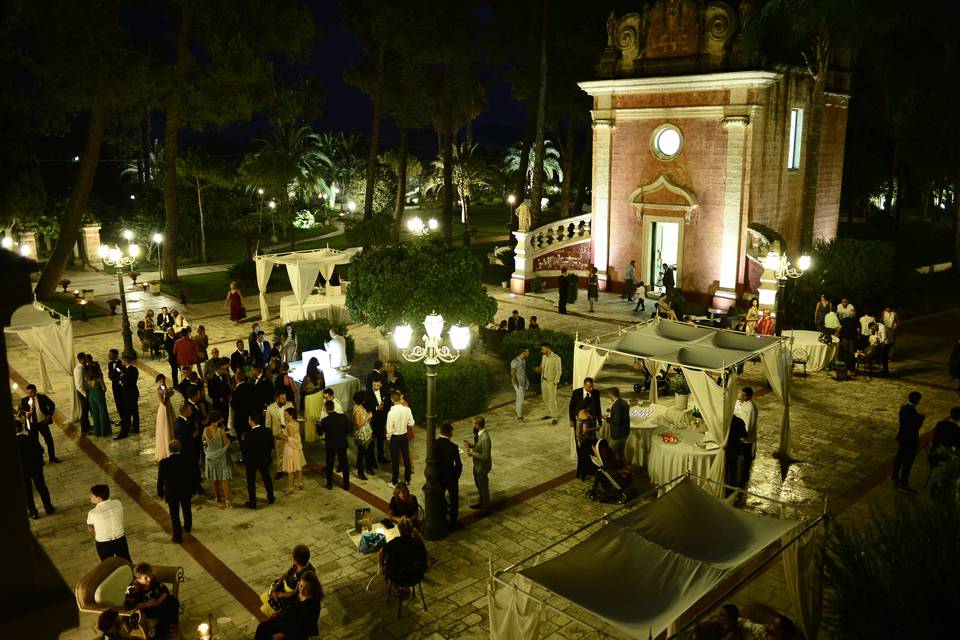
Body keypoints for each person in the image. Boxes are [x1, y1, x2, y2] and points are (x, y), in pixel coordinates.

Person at [254, 570, 323, 640]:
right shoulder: (298, 592)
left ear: (312, 588)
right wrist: (278, 612)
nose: (301, 590)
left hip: (293, 632)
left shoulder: (313, 605)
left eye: (306, 588)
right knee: (262, 627)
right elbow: (289, 603)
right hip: (283, 622)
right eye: (301, 586)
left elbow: (303, 627)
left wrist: (283, 634)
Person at [123, 563, 179, 639]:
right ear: (138, 579)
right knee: (165, 614)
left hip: (156, 603)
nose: (149, 579)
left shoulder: (152, 580)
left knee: (173, 601)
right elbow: (127, 607)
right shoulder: (132, 589)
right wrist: (147, 604)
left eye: (150, 575)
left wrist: (160, 599)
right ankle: (161, 633)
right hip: (145, 610)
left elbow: (164, 590)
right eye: (146, 578)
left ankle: (171, 625)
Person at [261, 545, 315, 617]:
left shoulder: (305, 575)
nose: (291, 559)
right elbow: (287, 572)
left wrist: (279, 594)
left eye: (292, 557)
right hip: (285, 588)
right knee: (269, 596)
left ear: (296, 561)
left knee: (273, 611)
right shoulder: (297, 564)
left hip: (290, 597)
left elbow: (294, 592)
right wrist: (278, 583)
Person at [156, 439, 194, 542]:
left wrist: (160, 492)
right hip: (185, 489)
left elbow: (161, 479)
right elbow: (192, 474)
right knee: (187, 509)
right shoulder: (186, 459)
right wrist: (193, 488)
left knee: (174, 515)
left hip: (172, 492)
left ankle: (177, 536)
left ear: (169, 449)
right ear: (180, 448)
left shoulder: (164, 463)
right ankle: (187, 527)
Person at [379, 517, 428, 595]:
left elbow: (381, 552)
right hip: (417, 576)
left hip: (400, 578)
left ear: (399, 530)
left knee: (390, 562)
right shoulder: (418, 543)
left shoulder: (395, 543)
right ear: (412, 529)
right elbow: (425, 563)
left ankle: (397, 588)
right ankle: (406, 586)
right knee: (405, 563)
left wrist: (382, 566)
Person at [17, 420, 55, 519]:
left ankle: (33, 512)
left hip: (22, 471)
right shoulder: (30, 438)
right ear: (22, 428)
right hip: (35, 467)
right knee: (42, 487)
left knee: (27, 492)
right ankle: (48, 507)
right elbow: (41, 450)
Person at [87, 484, 131, 561]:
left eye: (92, 495)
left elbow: (90, 527)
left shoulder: (93, 513)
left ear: (99, 498)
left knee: (107, 566)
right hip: (120, 539)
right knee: (126, 561)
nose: (89, 496)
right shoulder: (118, 503)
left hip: (103, 543)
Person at [19, 383, 60, 463]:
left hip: (42, 423)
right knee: (34, 443)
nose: (29, 394)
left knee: (49, 440)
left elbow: (52, 404)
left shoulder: (42, 397)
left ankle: (52, 458)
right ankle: (38, 461)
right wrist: (26, 415)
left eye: (31, 392)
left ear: (35, 391)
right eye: (28, 392)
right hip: (32, 424)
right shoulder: (24, 401)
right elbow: (21, 412)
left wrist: (49, 415)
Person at [893, 390, 924, 494]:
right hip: (910, 439)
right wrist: (920, 419)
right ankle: (904, 483)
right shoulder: (912, 412)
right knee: (908, 461)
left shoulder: (904, 407)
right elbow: (916, 427)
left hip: (902, 437)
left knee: (899, 456)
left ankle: (895, 475)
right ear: (918, 400)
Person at [244, 415, 276, 509]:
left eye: (249, 419)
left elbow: (246, 449)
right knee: (267, 478)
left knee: (251, 481)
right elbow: (271, 446)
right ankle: (271, 498)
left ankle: (253, 502)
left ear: (252, 421)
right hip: (264, 459)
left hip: (251, 461)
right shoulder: (267, 431)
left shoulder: (248, 434)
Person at [203, 411, 233, 506]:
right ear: (218, 420)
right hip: (221, 458)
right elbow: (226, 444)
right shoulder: (221, 431)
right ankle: (227, 500)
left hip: (210, 458)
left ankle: (217, 498)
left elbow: (204, 443)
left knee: (213, 478)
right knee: (224, 479)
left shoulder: (205, 430)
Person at [435, 422, 463, 528]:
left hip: (439, 478)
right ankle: (453, 522)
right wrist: (455, 476)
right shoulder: (453, 447)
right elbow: (459, 465)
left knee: (440, 498)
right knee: (454, 499)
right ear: (449, 432)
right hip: (451, 477)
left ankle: (442, 519)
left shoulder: (434, 444)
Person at [320, 400, 351, 490]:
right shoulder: (342, 417)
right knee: (345, 465)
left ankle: (329, 484)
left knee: (329, 465)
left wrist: (317, 425)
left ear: (326, 409)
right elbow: (349, 429)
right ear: (333, 407)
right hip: (342, 443)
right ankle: (346, 485)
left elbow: (320, 432)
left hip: (330, 445)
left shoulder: (325, 420)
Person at [385, 390, 413, 487]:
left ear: (392, 399)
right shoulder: (407, 409)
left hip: (395, 438)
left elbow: (389, 429)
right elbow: (412, 423)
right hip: (404, 436)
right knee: (406, 458)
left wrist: (389, 438)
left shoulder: (391, 413)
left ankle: (394, 481)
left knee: (395, 460)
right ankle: (407, 479)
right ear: (400, 398)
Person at [733, 387, 758, 488]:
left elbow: (749, 424)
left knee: (746, 456)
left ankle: (745, 476)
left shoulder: (751, 408)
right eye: (742, 395)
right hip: (739, 434)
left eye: (744, 395)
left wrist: (743, 433)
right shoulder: (741, 403)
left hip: (745, 437)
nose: (742, 397)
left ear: (750, 396)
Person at [466, 416, 492, 512]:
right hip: (477, 466)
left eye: (473, 423)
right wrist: (471, 445)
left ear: (477, 425)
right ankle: (481, 503)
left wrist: (472, 453)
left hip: (482, 467)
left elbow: (485, 456)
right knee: (479, 486)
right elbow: (478, 447)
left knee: (483, 488)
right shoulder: (480, 435)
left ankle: (486, 509)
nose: (472, 425)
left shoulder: (485, 438)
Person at [266, 390, 293, 477]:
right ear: (277, 399)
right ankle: (280, 470)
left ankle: (288, 469)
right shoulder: (270, 408)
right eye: (282, 399)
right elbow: (268, 424)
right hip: (277, 434)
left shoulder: (289, 404)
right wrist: (270, 436)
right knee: (279, 453)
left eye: (285, 398)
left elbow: (294, 418)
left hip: (289, 432)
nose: (285, 400)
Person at [535, 343, 562, 425]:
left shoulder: (556, 358)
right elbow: (542, 366)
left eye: (543, 349)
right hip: (543, 381)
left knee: (552, 400)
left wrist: (555, 382)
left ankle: (554, 417)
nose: (541, 351)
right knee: (545, 398)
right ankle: (549, 413)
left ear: (548, 348)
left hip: (551, 382)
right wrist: (539, 369)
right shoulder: (544, 357)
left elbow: (559, 371)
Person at [365, 377, 390, 467]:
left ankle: (381, 457)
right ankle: (372, 461)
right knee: (372, 442)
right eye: (374, 385)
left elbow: (387, 404)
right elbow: (366, 407)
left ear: (381, 385)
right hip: (373, 420)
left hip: (382, 419)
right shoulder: (367, 393)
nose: (375, 387)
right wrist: (376, 408)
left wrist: (385, 411)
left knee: (380, 440)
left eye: (377, 385)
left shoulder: (384, 392)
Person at [280, 406, 306, 492]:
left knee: (290, 469)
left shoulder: (289, 425)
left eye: (286, 414)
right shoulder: (296, 423)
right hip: (297, 448)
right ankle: (301, 483)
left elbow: (289, 438)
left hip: (291, 448)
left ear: (291, 416)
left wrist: (281, 435)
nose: (284, 416)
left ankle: (290, 487)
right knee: (299, 467)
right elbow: (296, 436)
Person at [115, 354, 140, 438]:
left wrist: (121, 382)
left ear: (125, 361)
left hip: (129, 394)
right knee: (134, 411)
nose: (122, 362)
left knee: (126, 413)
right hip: (133, 393)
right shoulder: (131, 369)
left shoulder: (130, 370)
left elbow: (128, 382)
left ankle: (124, 432)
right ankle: (136, 428)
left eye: (122, 361)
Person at [575, 399, 600, 480]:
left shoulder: (583, 411)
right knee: (585, 457)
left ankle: (584, 473)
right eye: (590, 406)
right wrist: (596, 428)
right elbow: (585, 430)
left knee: (584, 457)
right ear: (586, 406)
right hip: (585, 439)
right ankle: (584, 474)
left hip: (585, 438)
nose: (591, 408)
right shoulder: (584, 415)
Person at [352, 391, 373, 480]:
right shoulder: (357, 410)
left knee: (367, 452)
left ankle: (369, 467)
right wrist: (368, 417)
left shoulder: (360, 407)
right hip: (361, 435)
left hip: (367, 433)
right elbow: (358, 424)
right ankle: (360, 472)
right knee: (361, 454)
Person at [154, 375, 175, 461]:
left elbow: (171, 393)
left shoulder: (165, 387)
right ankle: (166, 448)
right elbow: (163, 402)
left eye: (163, 380)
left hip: (169, 408)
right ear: (158, 381)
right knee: (165, 427)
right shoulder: (158, 390)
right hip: (163, 409)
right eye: (161, 381)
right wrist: (166, 394)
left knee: (171, 425)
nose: (162, 382)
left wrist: (169, 392)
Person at [605, 388, 629, 462]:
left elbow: (617, 421)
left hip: (618, 434)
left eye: (609, 395)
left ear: (612, 395)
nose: (608, 396)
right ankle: (623, 468)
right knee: (620, 453)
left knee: (612, 453)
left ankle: (617, 470)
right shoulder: (624, 402)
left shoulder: (616, 405)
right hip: (625, 432)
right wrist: (612, 411)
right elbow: (622, 413)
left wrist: (607, 419)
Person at [87, 371, 112, 438]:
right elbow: (104, 389)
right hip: (99, 397)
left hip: (91, 397)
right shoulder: (98, 379)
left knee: (95, 415)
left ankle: (97, 432)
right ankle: (104, 432)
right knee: (102, 414)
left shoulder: (87, 379)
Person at [836, 312, 859, 378]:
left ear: (849, 314)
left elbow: (840, 327)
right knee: (851, 352)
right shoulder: (856, 320)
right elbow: (858, 330)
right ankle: (850, 367)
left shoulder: (844, 320)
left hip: (845, 337)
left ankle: (845, 366)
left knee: (845, 351)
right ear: (854, 315)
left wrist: (836, 333)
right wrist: (858, 336)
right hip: (852, 338)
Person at [74, 352, 92, 434]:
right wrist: (85, 394)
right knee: (84, 411)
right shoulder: (79, 369)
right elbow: (79, 384)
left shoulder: (82, 367)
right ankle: (84, 429)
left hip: (84, 391)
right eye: (85, 358)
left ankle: (87, 425)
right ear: (82, 359)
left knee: (87, 409)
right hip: (82, 392)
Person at [510, 346, 530, 423]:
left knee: (520, 399)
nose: (528, 353)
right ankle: (519, 417)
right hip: (518, 384)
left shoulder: (524, 360)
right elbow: (512, 374)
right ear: (523, 352)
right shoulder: (515, 362)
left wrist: (526, 381)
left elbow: (523, 372)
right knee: (520, 400)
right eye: (527, 352)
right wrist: (517, 384)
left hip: (523, 383)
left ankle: (518, 413)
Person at [107, 349, 125, 422]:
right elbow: (110, 373)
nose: (108, 356)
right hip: (114, 385)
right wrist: (109, 376)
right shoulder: (110, 364)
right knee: (117, 402)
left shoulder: (120, 363)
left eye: (110, 354)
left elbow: (122, 374)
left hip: (120, 386)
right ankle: (122, 418)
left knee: (122, 402)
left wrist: (120, 381)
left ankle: (125, 418)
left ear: (115, 355)